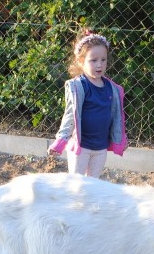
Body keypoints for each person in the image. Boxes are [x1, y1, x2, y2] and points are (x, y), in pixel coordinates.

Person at [48, 30, 128, 177]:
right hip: (81, 147)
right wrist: (60, 142)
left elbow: (117, 117)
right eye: (94, 60)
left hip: (100, 148)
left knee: (92, 184)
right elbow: (70, 116)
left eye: (103, 60)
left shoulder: (112, 89)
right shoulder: (79, 87)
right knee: (76, 183)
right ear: (81, 61)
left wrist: (121, 139)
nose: (100, 64)